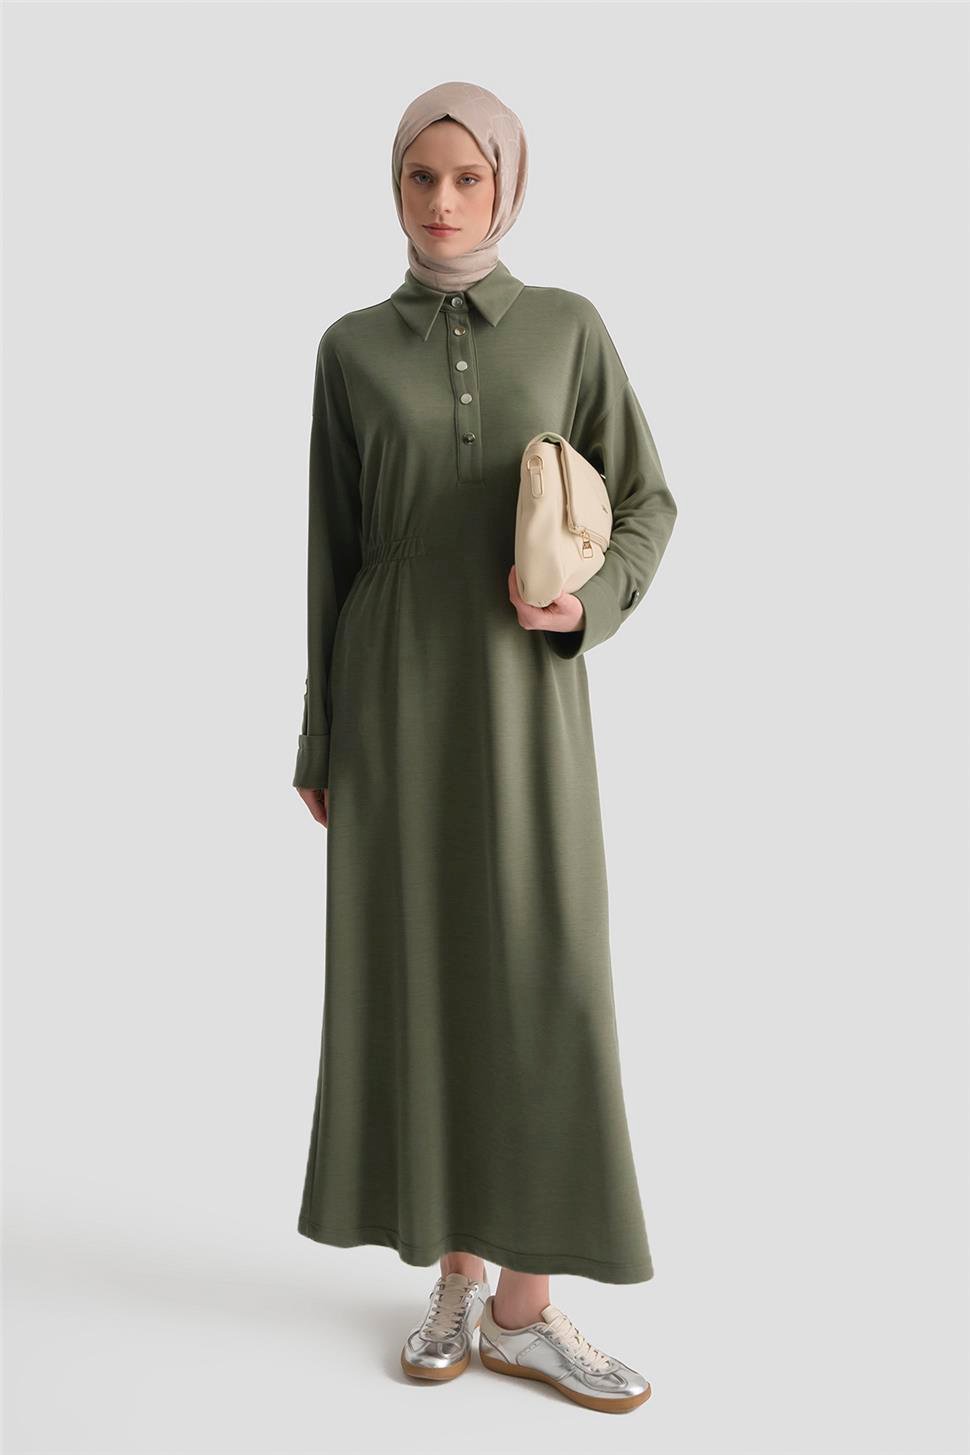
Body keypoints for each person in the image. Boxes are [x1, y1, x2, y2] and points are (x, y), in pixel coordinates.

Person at [292, 80, 677, 1416]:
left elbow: (647, 499)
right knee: (429, 967)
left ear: (507, 185)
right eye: (421, 177)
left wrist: (590, 605)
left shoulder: (567, 327)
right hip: (391, 693)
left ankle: (528, 1307)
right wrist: (321, 734)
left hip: (524, 689)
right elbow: (331, 552)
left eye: (468, 177)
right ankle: (457, 1279)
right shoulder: (351, 349)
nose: (444, 202)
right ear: (394, 188)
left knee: (542, 965)